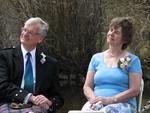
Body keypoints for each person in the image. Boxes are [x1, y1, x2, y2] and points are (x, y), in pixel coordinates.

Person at [0, 17, 64, 113]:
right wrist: (29, 97)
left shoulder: (50, 63)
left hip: (38, 108)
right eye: (24, 30)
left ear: (40, 39)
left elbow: (58, 98)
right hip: (9, 105)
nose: (24, 34)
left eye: (30, 33)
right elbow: (2, 86)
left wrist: (49, 102)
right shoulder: (5, 56)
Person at [81, 17, 142, 113]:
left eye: (116, 32)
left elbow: (135, 90)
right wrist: (93, 99)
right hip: (96, 104)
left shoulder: (130, 60)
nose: (111, 34)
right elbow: (87, 86)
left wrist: (111, 99)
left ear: (125, 39)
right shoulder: (96, 58)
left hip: (122, 105)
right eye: (111, 30)